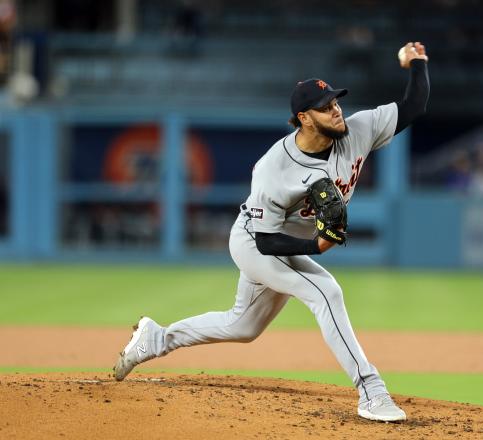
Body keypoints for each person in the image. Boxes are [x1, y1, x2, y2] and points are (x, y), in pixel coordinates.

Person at [113, 41, 430, 422]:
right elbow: (265, 241)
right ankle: (371, 391)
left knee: (242, 325)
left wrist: (418, 63)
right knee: (326, 292)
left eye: (336, 101)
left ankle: (156, 338)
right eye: (326, 106)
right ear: (305, 118)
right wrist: (316, 244)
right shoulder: (274, 168)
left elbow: (414, 107)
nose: (336, 109)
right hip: (255, 240)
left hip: (285, 242)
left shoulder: (358, 130)